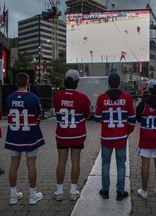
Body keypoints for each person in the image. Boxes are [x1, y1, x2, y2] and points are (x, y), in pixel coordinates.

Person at [94, 73, 136, 201]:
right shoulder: (127, 98)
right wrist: (126, 131)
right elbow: (132, 120)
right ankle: (120, 191)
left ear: (108, 83)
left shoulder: (101, 98)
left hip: (106, 137)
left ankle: (105, 190)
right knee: (121, 165)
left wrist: (105, 123)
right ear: (119, 83)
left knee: (105, 163)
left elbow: (97, 118)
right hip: (121, 137)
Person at [5, 72, 45, 205]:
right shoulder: (33, 98)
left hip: (14, 135)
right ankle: (33, 195)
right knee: (31, 164)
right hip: (30, 135)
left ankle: (12, 195)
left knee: (14, 164)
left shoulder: (10, 97)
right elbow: (39, 116)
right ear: (27, 82)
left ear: (16, 82)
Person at [53, 69, 91, 201]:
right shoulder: (82, 97)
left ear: (65, 81)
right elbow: (87, 114)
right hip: (77, 135)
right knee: (75, 162)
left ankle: (59, 191)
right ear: (77, 82)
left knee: (61, 162)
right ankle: (73, 191)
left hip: (62, 134)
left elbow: (57, 110)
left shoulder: (58, 95)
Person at [135, 79, 156, 199]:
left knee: (145, 164)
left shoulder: (143, 104)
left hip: (146, 138)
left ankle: (144, 191)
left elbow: (138, 118)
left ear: (148, 89)